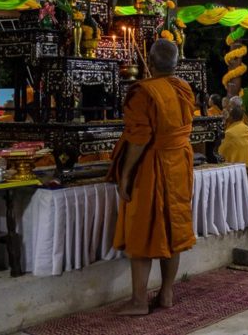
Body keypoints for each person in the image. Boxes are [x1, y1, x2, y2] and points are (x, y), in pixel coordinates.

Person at [108, 39, 195, 315]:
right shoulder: (184, 88)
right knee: (173, 226)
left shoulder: (144, 92)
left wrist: (126, 173)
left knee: (142, 227)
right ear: (176, 63)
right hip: (179, 164)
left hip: (152, 165)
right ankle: (167, 293)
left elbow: (139, 138)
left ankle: (139, 301)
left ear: (149, 61)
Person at [218, 106, 248, 178]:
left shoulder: (229, 133)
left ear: (231, 118)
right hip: (247, 166)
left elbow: (221, 152)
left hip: (234, 167)